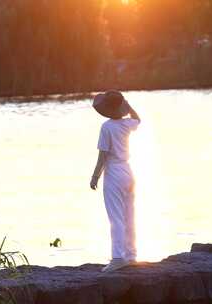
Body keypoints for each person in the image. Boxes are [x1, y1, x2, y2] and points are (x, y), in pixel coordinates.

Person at [90, 90, 141, 273]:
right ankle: (131, 255)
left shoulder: (107, 127)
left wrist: (95, 176)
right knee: (129, 214)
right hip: (128, 171)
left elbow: (103, 155)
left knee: (116, 217)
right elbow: (138, 119)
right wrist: (128, 105)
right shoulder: (127, 124)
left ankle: (118, 258)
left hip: (114, 173)